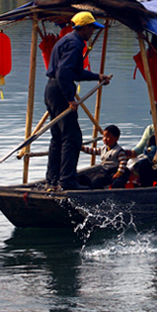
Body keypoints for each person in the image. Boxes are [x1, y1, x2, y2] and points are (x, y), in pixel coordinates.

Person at [44, 11, 112, 190]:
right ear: (85, 27)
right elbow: (64, 73)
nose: (92, 32)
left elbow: (76, 72)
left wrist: (97, 76)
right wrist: (70, 99)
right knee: (72, 137)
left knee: (58, 137)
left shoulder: (67, 40)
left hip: (51, 90)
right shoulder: (74, 44)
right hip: (60, 91)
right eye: (91, 28)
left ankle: (52, 180)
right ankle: (67, 181)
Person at [78, 124, 130, 189]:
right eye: (104, 137)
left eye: (108, 137)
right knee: (94, 180)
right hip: (105, 170)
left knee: (115, 183)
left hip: (114, 171)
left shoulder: (119, 151)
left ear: (116, 138)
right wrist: (82, 148)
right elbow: (93, 151)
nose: (105, 139)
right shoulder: (103, 149)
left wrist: (119, 173)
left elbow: (123, 162)